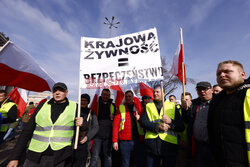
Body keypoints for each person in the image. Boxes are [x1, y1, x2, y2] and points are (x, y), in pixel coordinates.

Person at [7, 82, 83, 167]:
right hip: (35, 156)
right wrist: (14, 157)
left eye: (61, 90)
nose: (57, 92)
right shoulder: (42, 106)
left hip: (60, 158)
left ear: (66, 92)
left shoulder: (75, 107)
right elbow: (26, 132)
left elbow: (82, 131)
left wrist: (83, 123)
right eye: (55, 90)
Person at [208, 60, 250, 166]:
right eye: (219, 73)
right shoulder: (216, 102)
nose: (222, 75)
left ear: (243, 75)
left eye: (227, 71)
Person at [140, 85, 184, 167]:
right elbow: (143, 122)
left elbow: (181, 127)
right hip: (151, 145)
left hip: (169, 145)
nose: (155, 94)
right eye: (154, 92)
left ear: (163, 93)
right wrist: (158, 126)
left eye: (157, 92)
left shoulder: (172, 106)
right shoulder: (148, 106)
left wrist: (170, 122)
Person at [181, 81, 216, 167]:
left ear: (212, 90)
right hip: (199, 146)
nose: (202, 92)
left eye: (205, 89)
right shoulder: (194, 104)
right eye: (199, 89)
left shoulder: (219, 101)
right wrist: (185, 110)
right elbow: (187, 120)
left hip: (214, 146)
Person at [112, 90, 143, 167]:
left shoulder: (138, 108)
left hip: (137, 140)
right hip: (125, 141)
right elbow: (115, 126)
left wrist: (139, 119)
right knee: (125, 163)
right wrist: (115, 141)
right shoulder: (121, 108)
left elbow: (144, 122)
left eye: (130, 96)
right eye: (126, 97)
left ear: (133, 97)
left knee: (136, 162)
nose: (128, 98)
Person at [90, 89, 116, 167]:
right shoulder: (96, 104)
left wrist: (113, 117)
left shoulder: (113, 105)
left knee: (108, 156)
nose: (105, 96)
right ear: (101, 94)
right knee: (94, 157)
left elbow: (117, 119)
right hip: (97, 136)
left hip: (108, 136)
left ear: (109, 96)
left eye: (107, 95)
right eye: (104, 94)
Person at [74, 94, 99, 167]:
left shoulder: (91, 113)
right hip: (73, 143)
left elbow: (96, 127)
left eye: (85, 101)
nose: (83, 102)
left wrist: (87, 137)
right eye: (81, 100)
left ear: (88, 102)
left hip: (84, 144)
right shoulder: (75, 111)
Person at [176, 92, 192, 167]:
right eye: (183, 99)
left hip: (192, 143)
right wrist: (179, 140)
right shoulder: (177, 110)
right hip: (180, 143)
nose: (184, 101)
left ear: (191, 101)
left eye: (186, 99)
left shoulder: (195, 109)